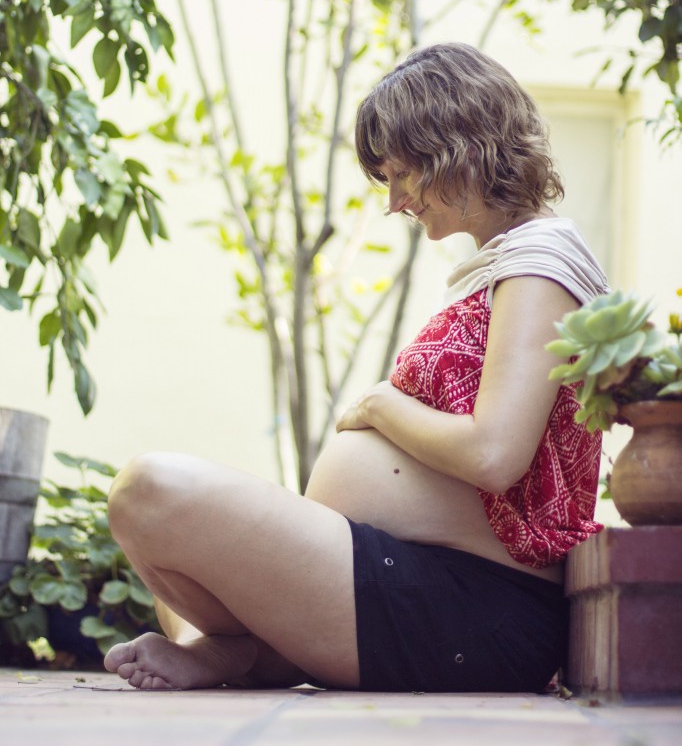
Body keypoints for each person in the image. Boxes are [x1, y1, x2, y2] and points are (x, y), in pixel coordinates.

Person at [103, 42, 607, 693]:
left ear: (457, 147)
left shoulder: (541, 264)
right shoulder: (507, 266)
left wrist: (377, 407)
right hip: (411, 583)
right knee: (162, 533)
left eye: (403, 175)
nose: (395, 201)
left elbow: (493, 454)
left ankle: (236, 653)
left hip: (474, 609)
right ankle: (238, 654)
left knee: (151, 491)